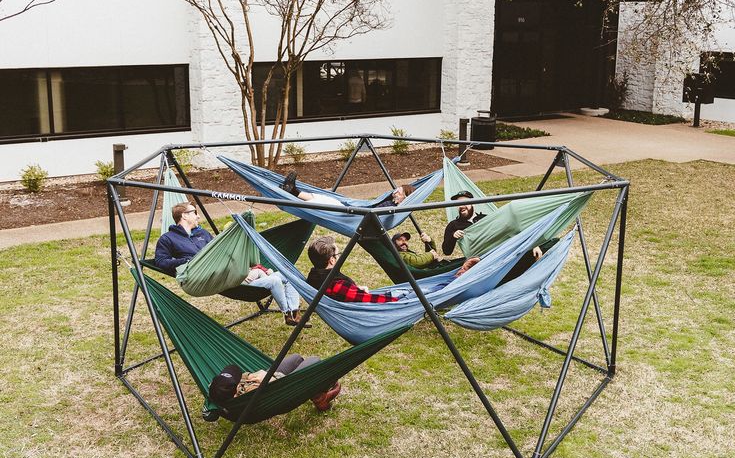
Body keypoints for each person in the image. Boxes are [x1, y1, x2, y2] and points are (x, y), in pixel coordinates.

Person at [155, 202, 308, 326]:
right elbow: (161, 261)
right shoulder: (168, 239)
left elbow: (221, 254)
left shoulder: (203, 234)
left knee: (289, 273)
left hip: (232, 275)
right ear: (184, 215)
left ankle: (294, 312)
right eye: (194, 212)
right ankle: (287, 313)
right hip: (198, 279)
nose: (198, 215)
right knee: (274, 280)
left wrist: (246, 268)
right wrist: (188, 262)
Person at [441, 191, 556, 284]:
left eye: (464, 203)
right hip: (479, 262)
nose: (461, 206)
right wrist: (453, 236)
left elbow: (510, 230)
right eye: (458, 204)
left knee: (550, 243)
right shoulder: (454, 225)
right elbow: (446, 251)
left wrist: (533, 245)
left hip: (499, 253)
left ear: (473, 203)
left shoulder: (487, 218)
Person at [208, 356, 341, 413]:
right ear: (236, 389)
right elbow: (272, 385)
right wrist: (262, 377)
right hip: (282, 389)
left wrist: (254, 376)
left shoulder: (216, 388)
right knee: (315, 361)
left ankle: (318, 396)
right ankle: (320, 398)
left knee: (296, 359)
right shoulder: (247, 394)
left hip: (268, 379)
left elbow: (241, 374)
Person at [306, 235, 398, 303]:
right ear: (332, 260)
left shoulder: (314, 278)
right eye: (338, 254)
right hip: (373, 311)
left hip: (350, 298)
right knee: (408, 294)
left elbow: (341, 295)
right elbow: (369, 300)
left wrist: (356, 290)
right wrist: (400, 302)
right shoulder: (338, 285)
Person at [281, 172, 415, 208]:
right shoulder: (389, 201)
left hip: (351, 216)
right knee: (324, 198)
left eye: (399, 192)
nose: (395, 192)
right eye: (397, 189)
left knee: (321, 202)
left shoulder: (391, 208)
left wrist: (397, 203)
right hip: (351, 210)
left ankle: (292, 194)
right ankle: (293, 191)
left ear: (405, 198)